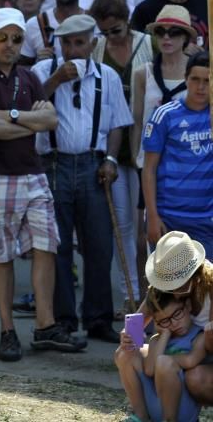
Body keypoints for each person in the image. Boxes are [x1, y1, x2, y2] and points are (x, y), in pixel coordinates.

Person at [0, 7, 86, 361]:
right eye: (3, 37)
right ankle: (7, 330)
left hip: (32, 172)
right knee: (0, 255)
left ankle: (45, 325)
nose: (10, 44)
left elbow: (50, 120)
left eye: (17, 38)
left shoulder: (28, 76)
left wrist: (11, 117)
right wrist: (27, 122)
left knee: (47, 245)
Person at [31, 14, 133, 343]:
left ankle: (98, 318)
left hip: (92, 164)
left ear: (92, 43)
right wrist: (56, 80)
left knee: (99, 245)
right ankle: (63, 319)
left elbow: (117, 123)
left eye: (79, 42)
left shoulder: (108, 77)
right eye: (66, 43)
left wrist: (112, 159)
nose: (72, 50)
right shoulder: (42, 73)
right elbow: (28, 108)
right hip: (54, 163)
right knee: (57, 246)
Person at [89, 0, 152, 311]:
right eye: (105, 31)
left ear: (127, 21)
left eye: (116, 29)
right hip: (113, 143)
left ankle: (154, 291)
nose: (111, 36)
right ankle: (129, 292)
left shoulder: (148, 44)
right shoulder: (98, 49)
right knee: (124, 225)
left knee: (148, 227)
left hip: (145, 142)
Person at [142, 51, 213, 256]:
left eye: (207, 81)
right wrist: (153, 217)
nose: (200, 87)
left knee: (204, 286)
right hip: (168, 218)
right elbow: (149, 169)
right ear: (185, 79)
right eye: (195, 79)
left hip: (206, 220)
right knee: (170, 286)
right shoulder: (165, 115)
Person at [135, 231, 213, 409]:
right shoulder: (163, 283)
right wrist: (130, 336)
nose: (173, 290)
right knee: (125, 354)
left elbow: (209, 348)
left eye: (179, 283)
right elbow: (135, 323)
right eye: (169, 284)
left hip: (203, 357)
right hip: (178, 352)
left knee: (196, 378)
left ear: (194, 272)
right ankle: (141, 415)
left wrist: (206, 340)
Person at [115, 287, 206, 422]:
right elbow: (150, 370)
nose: (173, 324)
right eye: (164, 321)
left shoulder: (199, 336)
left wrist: (166, 361)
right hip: (155, 404)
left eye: (177, 314)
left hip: (181, 409)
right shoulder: (158, 338)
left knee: (164, 362)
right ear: (157, 323)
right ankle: (141, 417)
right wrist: (165, 335)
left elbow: (190, 360)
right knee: (125, 353)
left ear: (187, 306)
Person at [132, 6, 195, 171]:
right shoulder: (142, 73)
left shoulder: (199, 73)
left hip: (188, 161)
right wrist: (136, 159)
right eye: (160, 31)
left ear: (185, 37)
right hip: (150, 162)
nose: (166, 37)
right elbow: (137, 122)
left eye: (174, 32)